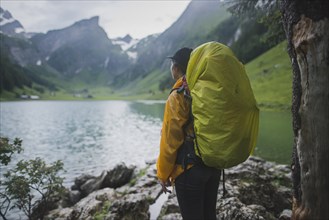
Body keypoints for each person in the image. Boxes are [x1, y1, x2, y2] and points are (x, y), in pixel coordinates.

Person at [156, 47, 221, 220]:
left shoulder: (178, 95)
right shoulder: (208, 89)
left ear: (176, 68)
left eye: (172, 64)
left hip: (189, 169)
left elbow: (171, 140)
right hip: (213, 165)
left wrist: (163, 174)